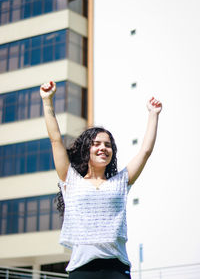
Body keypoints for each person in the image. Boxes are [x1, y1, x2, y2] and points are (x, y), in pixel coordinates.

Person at [40, 81, 162, 279]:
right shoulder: (71, 180)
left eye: (107, 145)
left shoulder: (121, 182)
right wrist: (47, 101)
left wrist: (153, 114)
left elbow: (145, 151)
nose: (102, 148)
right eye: (96, 144)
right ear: (86, 149)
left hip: (116, 269)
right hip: (82, 270)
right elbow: (55, 139)